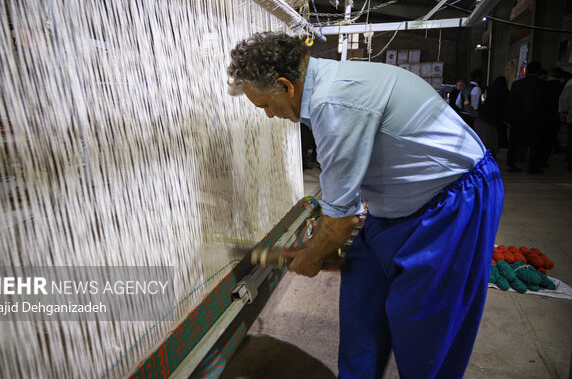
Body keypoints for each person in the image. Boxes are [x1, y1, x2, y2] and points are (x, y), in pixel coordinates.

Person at [227, 32, 504, 379]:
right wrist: (318, 246)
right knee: (362, 297)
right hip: (398, 206)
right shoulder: (324, 89)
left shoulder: (334, 101)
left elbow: (341, 221)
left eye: (265, 105)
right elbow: (344, 202)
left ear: (286, 86)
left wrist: (312, 256)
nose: (268, 115)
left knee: (425, 327)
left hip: (452, 202)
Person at [507, 61, 548, 173]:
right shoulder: (542, 84)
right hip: (534, 118)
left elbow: (511, 101)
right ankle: (532, 167)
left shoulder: (517, 84)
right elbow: (542, 102)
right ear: (538, 71)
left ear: (527, 71)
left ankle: (511, 164)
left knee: (514, 142)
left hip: (517, 117)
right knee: (534, 143)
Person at [559, 77, 572, 171]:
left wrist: (563, 113)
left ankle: (570, 163)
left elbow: (564, 102)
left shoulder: (569, 89)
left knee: (571, 142)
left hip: (571, 118)